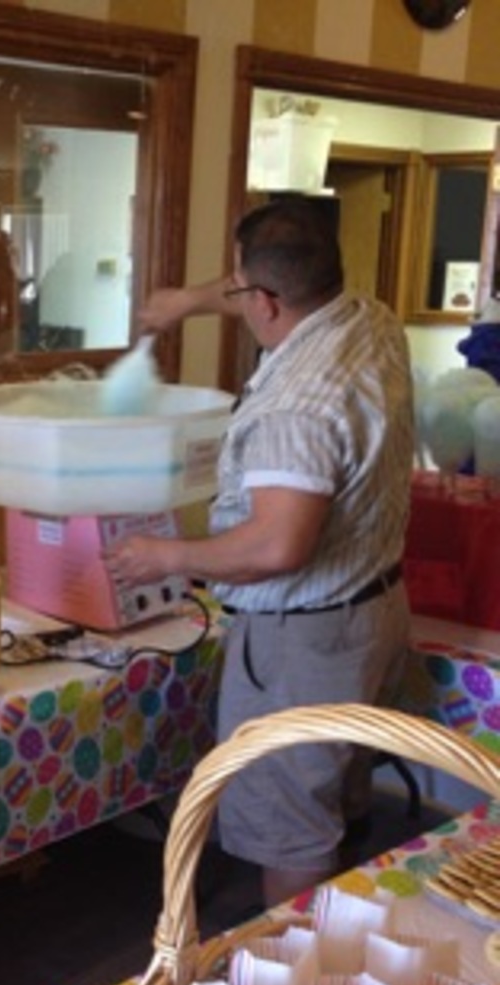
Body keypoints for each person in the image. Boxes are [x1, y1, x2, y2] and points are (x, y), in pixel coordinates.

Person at [102, 198, 415, 908]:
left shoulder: (294, 408)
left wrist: (167, 556)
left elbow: (278, 544)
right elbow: (264, 279)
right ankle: (338, 921)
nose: (236, 297)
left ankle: (297, 963)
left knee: (289, 823)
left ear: (266, 301)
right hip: (377, 608)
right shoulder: (370, 319)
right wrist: (186, 302)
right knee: (334, 787)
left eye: (239, 289)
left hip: (306, 639)